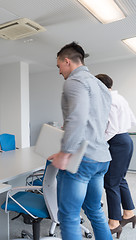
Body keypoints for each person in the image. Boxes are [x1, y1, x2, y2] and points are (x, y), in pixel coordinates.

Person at [48, 42, 112, 240]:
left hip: (82, 160)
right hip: (101, 158)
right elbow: (98, 120)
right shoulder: (100, 85)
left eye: (59, 66)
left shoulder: (74, 82)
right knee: (94, 211)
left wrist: (64, 153)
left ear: (67, 61)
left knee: (68, 217)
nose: (59, 72)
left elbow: (77, 117)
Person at [96, 73, 136, 238]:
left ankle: (114, 222)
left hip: (117, 142)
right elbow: (132, 121)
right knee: (120, 179)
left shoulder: (108, 100)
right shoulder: (120, 98)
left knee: (111, 182)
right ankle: (129, 213)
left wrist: (99, 142)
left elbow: (111, 129)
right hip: (126, 139)